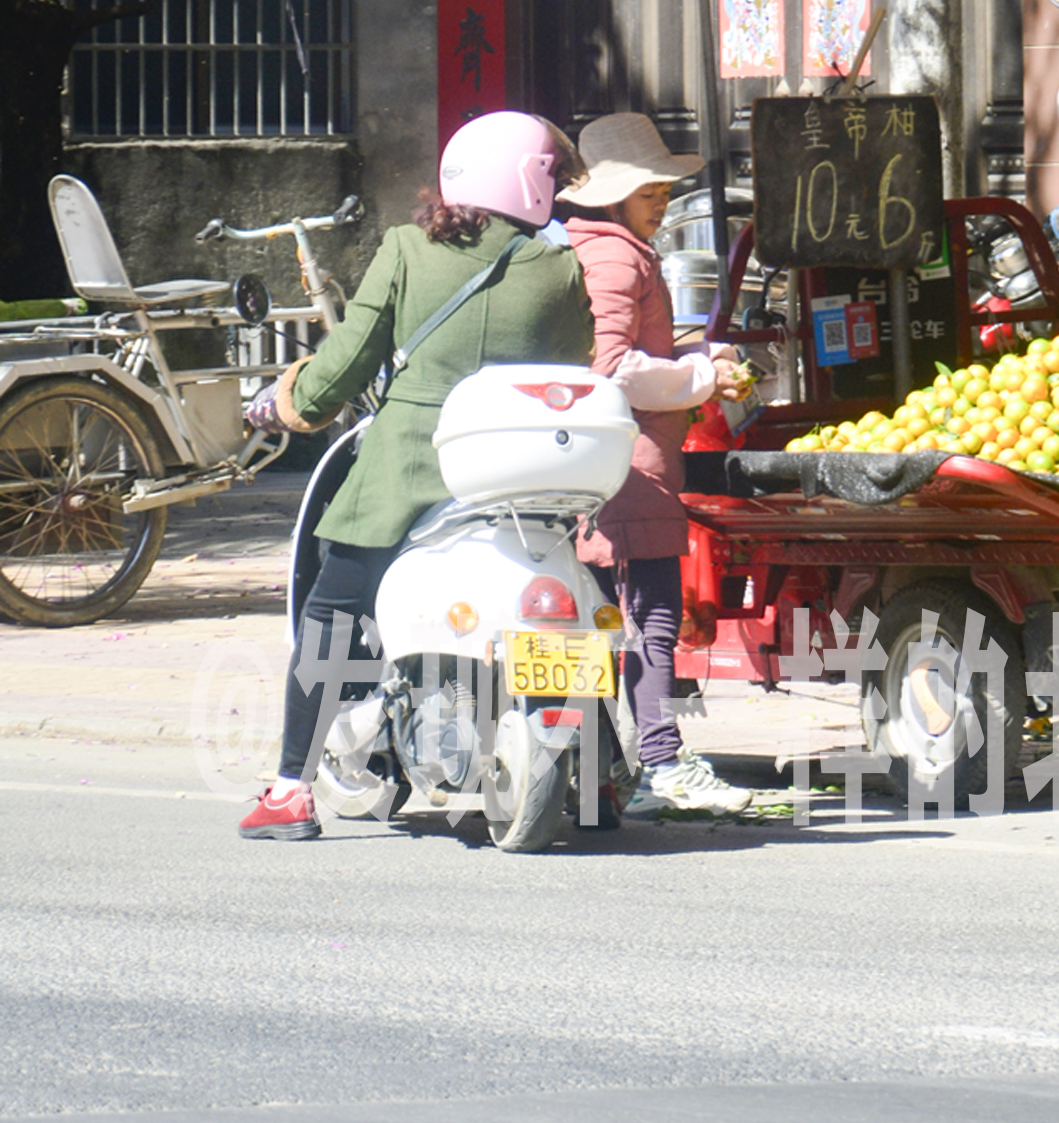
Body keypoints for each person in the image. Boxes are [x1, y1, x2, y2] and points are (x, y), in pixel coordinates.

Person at [236, 111, 592, 841]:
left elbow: (345, 362)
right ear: (529, 179)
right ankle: (605, 778)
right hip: (514, 482)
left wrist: (284, 402)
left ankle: (289, 789)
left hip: (406, 472)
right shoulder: (559, 268)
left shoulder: (405, 249)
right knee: (578, 593)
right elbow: (576, 362)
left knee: (333, 607)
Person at [558, 112, 755, 820]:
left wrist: (696, 361)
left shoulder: (593, 245)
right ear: (612, 193)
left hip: (609, 462)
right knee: (653, 615)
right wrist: (700, 377)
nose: (662, 198)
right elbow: (611, 368)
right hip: (628, 465)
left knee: (605, 620)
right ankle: (664, 759)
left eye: (664, 188)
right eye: (648, 188)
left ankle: (603, 765)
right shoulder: (615, 255)